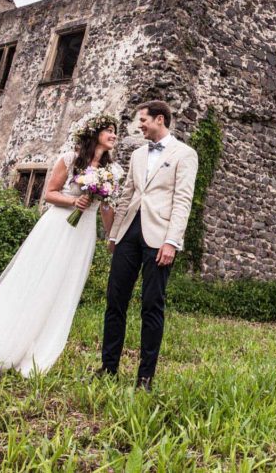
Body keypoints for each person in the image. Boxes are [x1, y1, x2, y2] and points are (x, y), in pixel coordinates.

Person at [0, 112, 122, 376]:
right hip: (59, 226)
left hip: (84, 233)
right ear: (94, 134)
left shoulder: (111, 171)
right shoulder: (70, 160)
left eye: (115, 130)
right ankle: (7, 341)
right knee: (38, 280)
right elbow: (49, 193)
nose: (114, 135)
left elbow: (106, 207)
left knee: (65, 287)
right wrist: (73, 201)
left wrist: (111, 235)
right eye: (109, 130)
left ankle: (39, 350)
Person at [100, 100, 198, 390]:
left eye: (143, 120)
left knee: (151, 306)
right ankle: (108, 367)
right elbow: (128, 192)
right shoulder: (138, 154)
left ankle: (145, 377)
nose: (139, 125)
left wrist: (172, 241)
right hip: (129, 232)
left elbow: (183, 200)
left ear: (159, 119)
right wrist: (114, 235)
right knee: (115, 300)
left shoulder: (185, 154)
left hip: (160, 238)